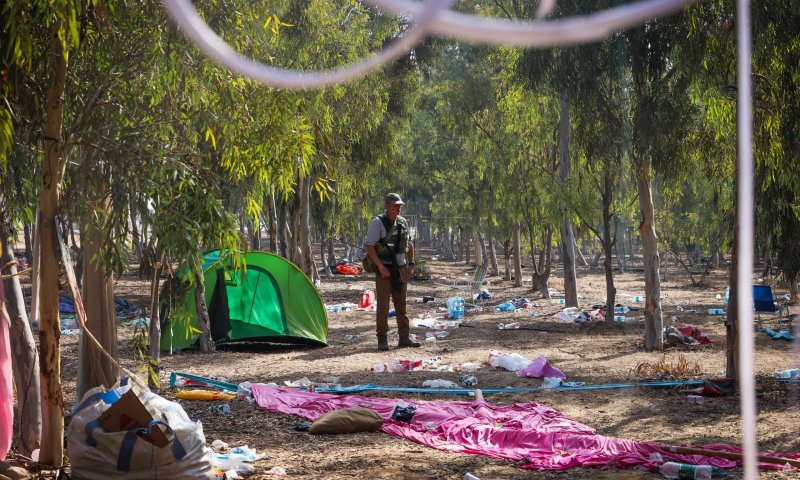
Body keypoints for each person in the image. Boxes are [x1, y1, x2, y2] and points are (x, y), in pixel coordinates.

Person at [365, 193, 420, 351]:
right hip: (385, 269)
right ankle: (382, 338)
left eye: (400, 205)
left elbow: (409, 244)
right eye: (396, 205)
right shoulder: (377, 223)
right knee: (383, 306)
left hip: (401, 268)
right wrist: (380, 267)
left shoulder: (403, 222)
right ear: (388, 206)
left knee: (401, 305)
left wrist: (411, 264)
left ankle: (404, 337)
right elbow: (369, 246)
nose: (399, 207)